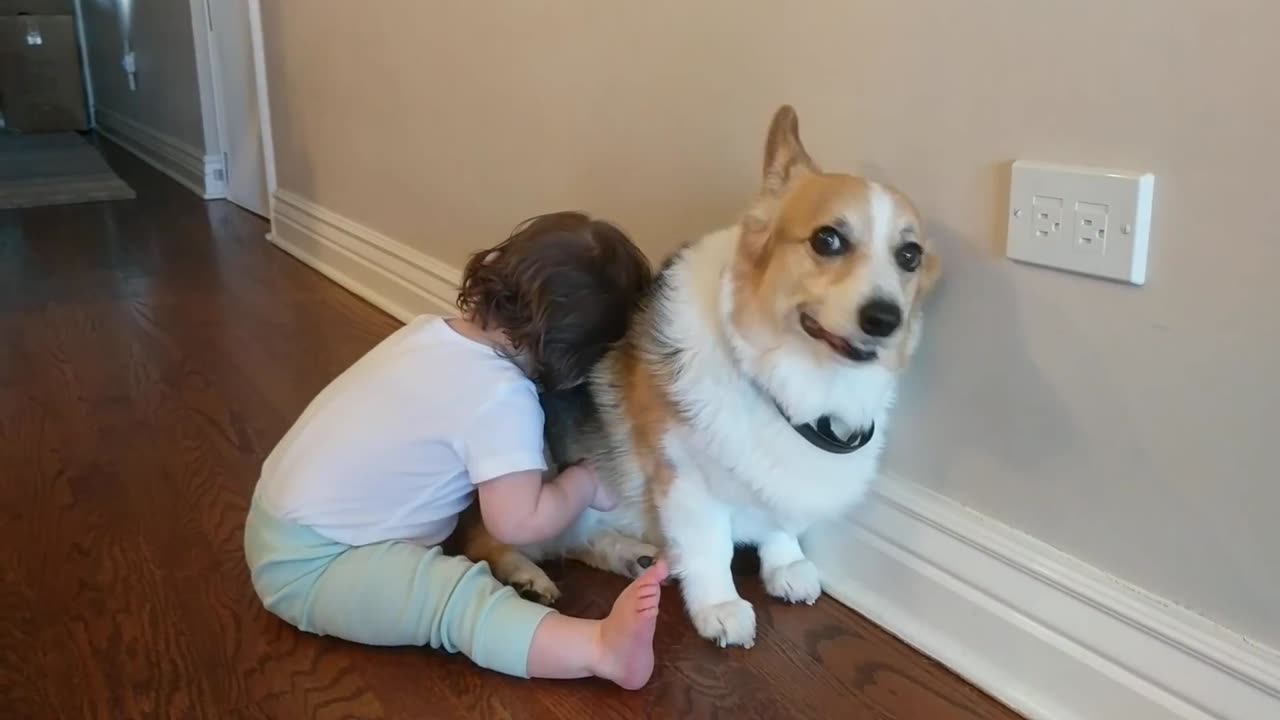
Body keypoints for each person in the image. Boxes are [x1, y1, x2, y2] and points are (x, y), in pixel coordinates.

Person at [243, 211, 664, 689]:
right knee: (453, 600)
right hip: (316, 569)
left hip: (273, 519)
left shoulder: (428, 332)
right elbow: (518, 522)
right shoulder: (502, 399)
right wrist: (582, 483)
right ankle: (597, 649)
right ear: (576, 362)